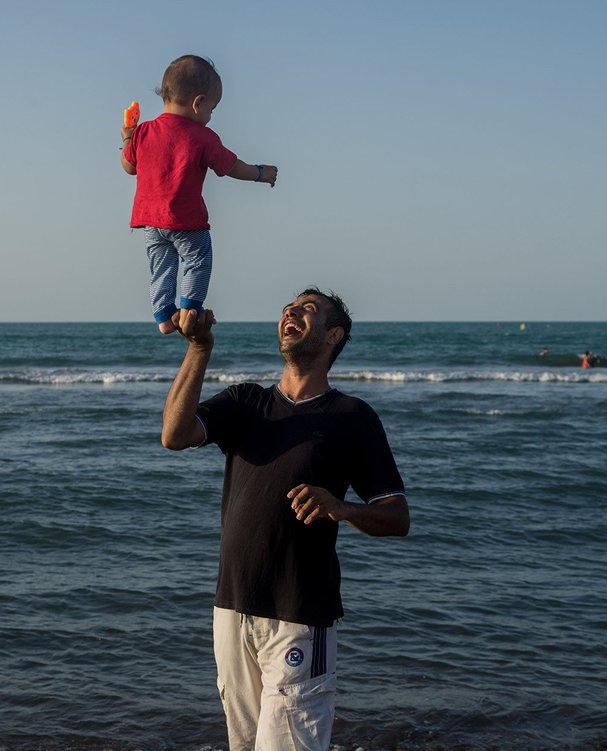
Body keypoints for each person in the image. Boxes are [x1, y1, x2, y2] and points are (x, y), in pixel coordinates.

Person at [161, 288, 410, 751]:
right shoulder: (245, 403)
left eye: (307, 309)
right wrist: (199, 349)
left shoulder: (352, 417)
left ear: (334, 335)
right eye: (288, 308)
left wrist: (342, 508)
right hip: (232, 610)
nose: (291, 312)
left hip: (301, 616)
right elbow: (174, 435)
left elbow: (397, 516)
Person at [121, 55, 279, 334]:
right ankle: (189, 310)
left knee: (161, 267)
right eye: (212, 108)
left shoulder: (143, 132)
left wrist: (127, 137)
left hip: (150, 222)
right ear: (198, 103)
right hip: (186, 221)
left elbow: (129, 167)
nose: (210, 116)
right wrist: (259, 172)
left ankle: (163, 316)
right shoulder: (202, 136)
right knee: (198, 260)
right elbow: (231, 167)